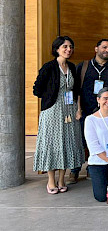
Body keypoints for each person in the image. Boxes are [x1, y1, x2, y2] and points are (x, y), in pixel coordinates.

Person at [33, 36, 85, 194]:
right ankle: (50, 180)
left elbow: (76, 91)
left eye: (70, 46)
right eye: (65, 46)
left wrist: (78, 109)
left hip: (70, 109)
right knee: (52, 144)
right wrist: (51, 97)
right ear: (57, 49)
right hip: (53, 110)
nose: (68, 49)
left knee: (67, 143)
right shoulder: (49, 67)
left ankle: (62, 179)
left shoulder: (72, 67)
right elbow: (37, 89)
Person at [71, 38, 108, 184]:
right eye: (104, 47)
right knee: (80, 140)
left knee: (99, 141)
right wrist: (78, 109)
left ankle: (91, 168)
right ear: (96, 49)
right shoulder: (84, 66)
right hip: (86, 111)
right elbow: (77, 90)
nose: (107, 50)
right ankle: (75, 170)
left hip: (105, 113)